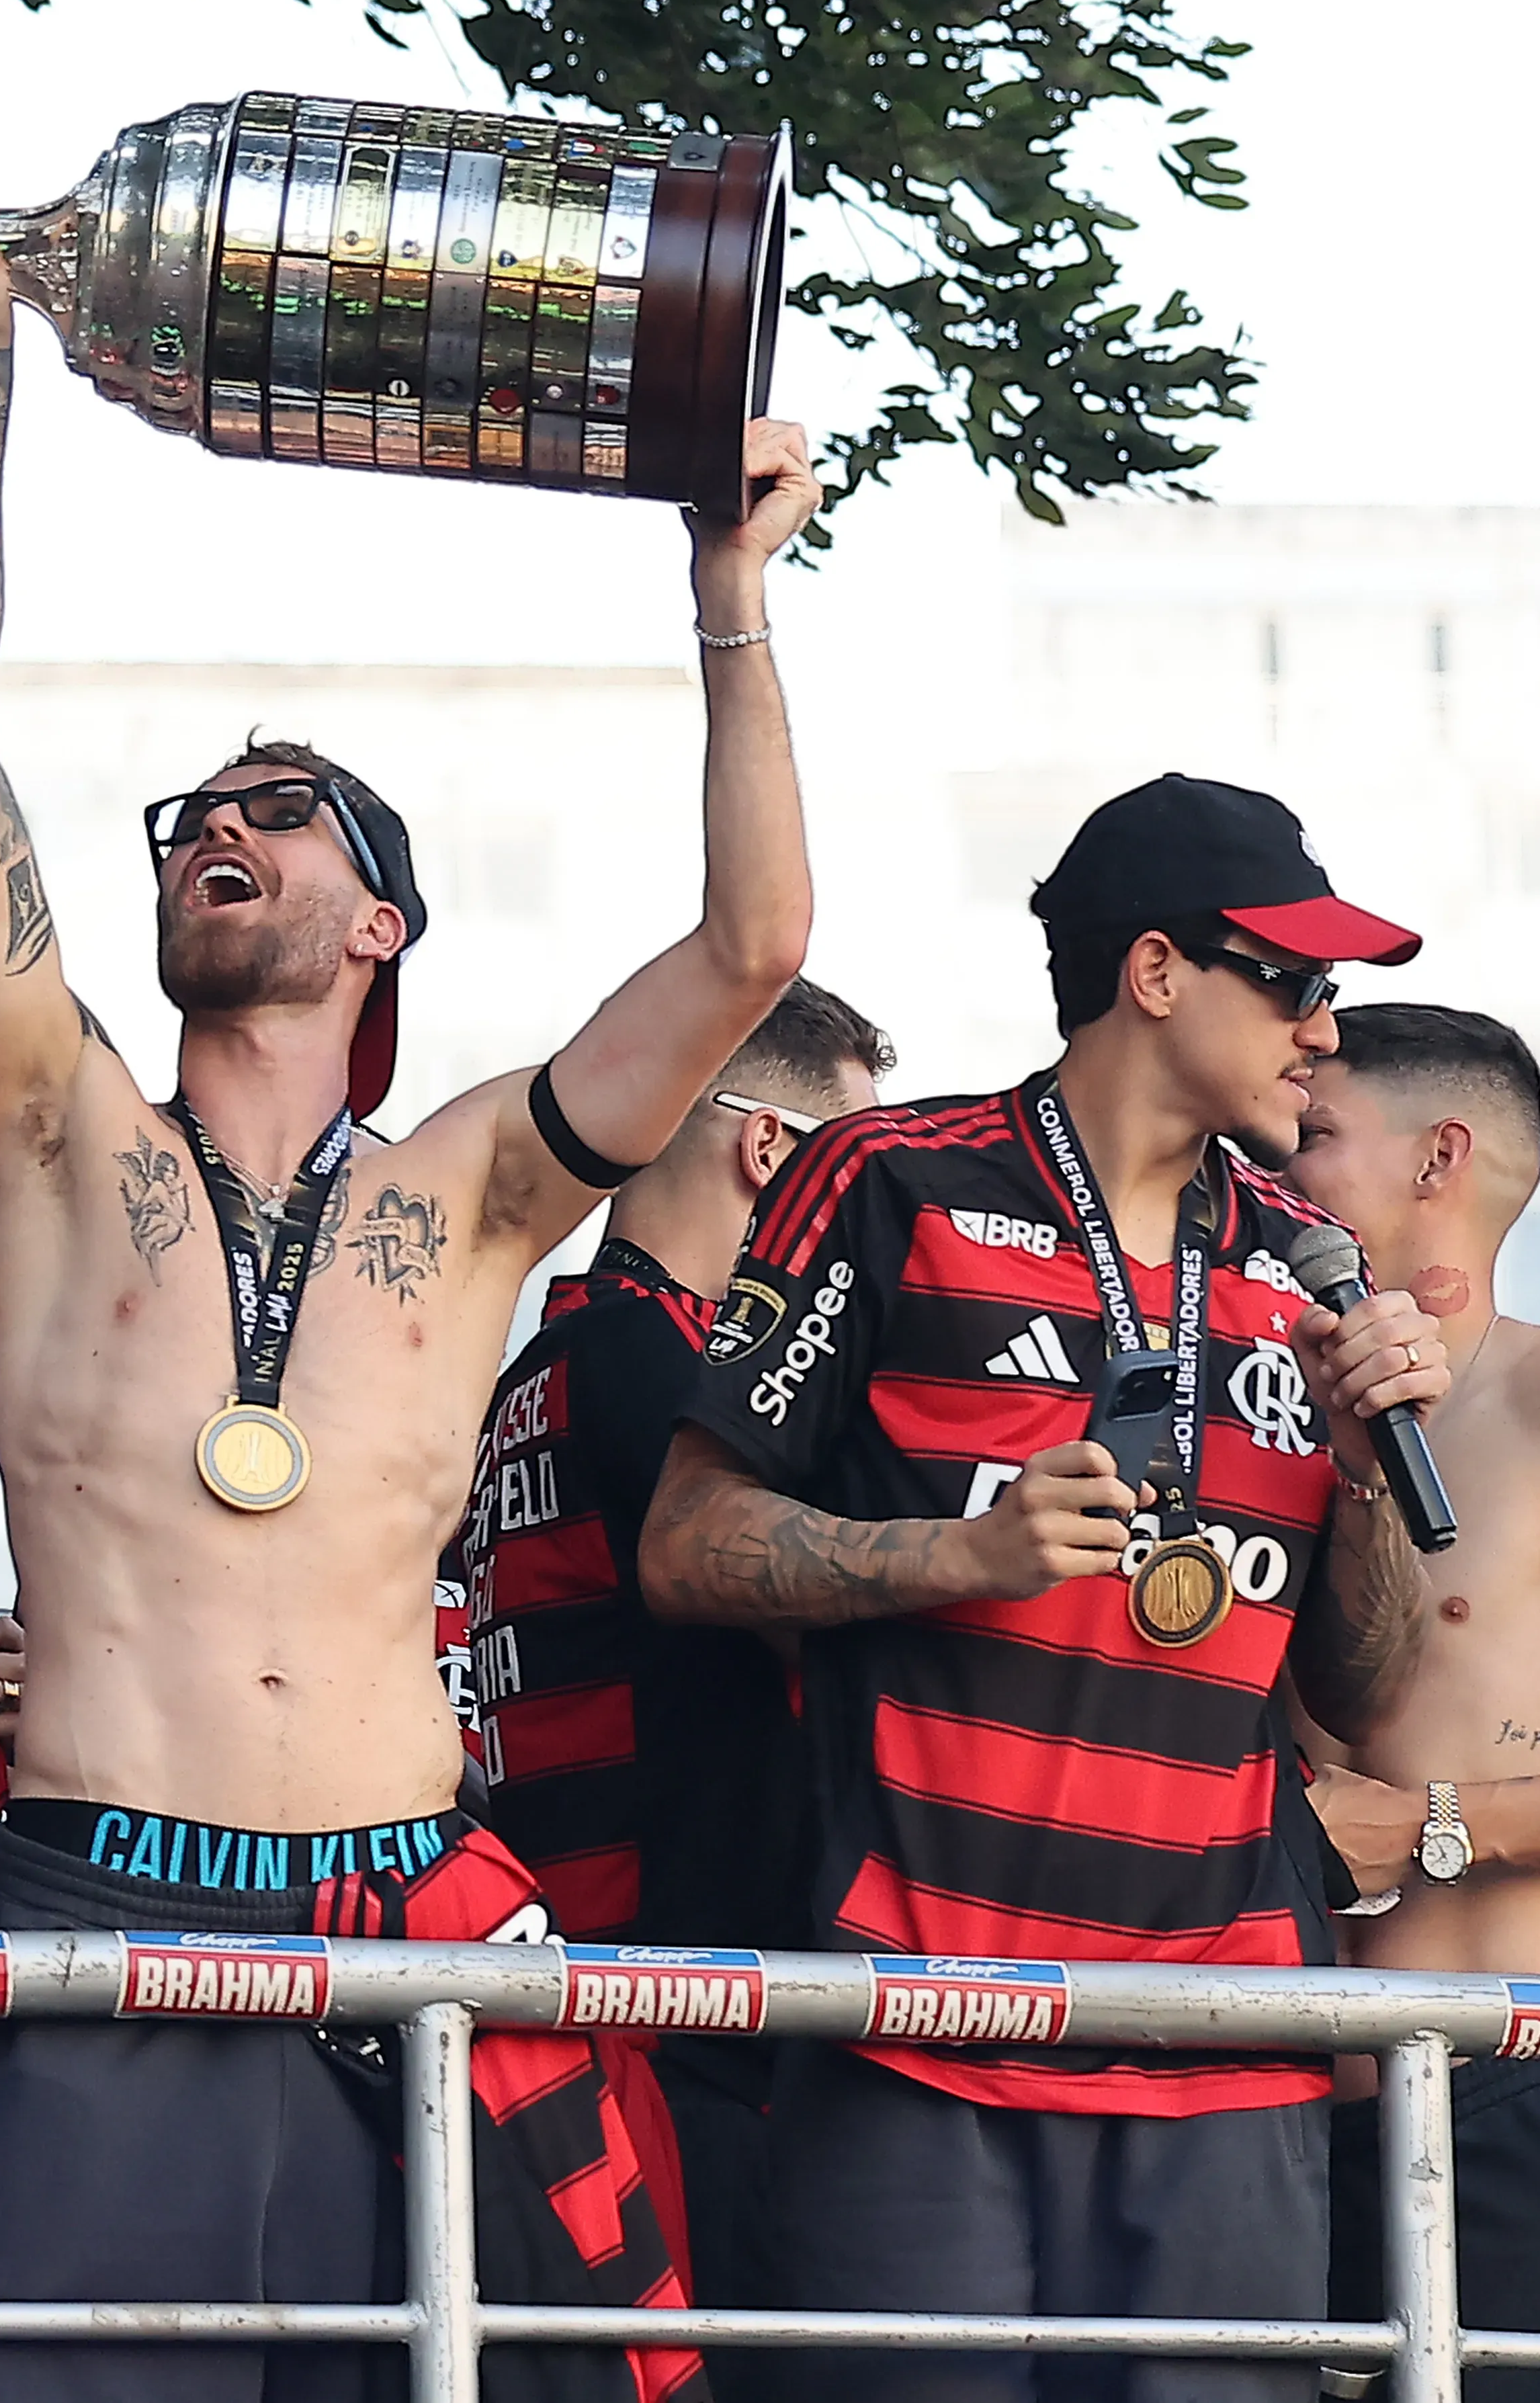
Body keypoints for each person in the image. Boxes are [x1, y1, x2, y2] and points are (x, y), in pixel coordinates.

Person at [0, 191, 815, 2402]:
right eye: (199, 804)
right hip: (106, 1899)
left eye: (282, 812)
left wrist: (728, 601)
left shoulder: (472, 1187)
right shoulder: (62, 1136)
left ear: (379, 923)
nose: (222, 822)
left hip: (418, 1926)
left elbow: (750, 946)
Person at [643, 775, 1452, 2400]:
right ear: (1156, 974)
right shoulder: (890, 1183)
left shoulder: (1302, 1257)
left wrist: (1362, 1479)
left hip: (1230, 2053)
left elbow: (1357, 1687)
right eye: (1294, 984)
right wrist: (964, 1554)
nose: (1323, 1032)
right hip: (923, 2033)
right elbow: (683, 1545)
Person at [444, 976, 892, 2378]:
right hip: (686, 2022)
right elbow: (830, 1634)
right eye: (856, 1172)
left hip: (591, 1995)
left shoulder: (546, 1359)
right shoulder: (659, 1365)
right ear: (774, 1153)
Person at [1277, 1007, 1540, 2397]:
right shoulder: (1232, 1420)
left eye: (1314, 1134)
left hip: (1509, 2088)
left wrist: (1435, 1822)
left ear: (1438, 1159)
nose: (1274, 1161)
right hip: (1262, 2108)